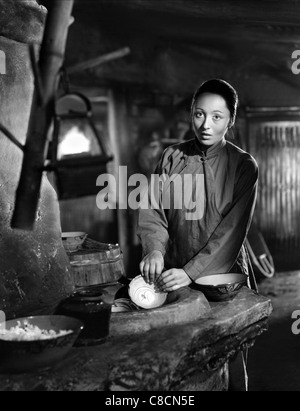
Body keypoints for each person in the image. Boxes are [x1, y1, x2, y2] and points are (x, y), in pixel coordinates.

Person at [137, 79, 259, 391]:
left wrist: (190, 272)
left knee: (226, 351)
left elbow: (230, 232)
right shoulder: (171, 158)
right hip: (174, 269)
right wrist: (154, 250)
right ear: (192, 114)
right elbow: (153, 211)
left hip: (221, 273)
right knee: (181, 353)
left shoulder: (243, 165)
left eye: (217, 117)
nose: (206, 125)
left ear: (230, 120)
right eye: (199, 114)